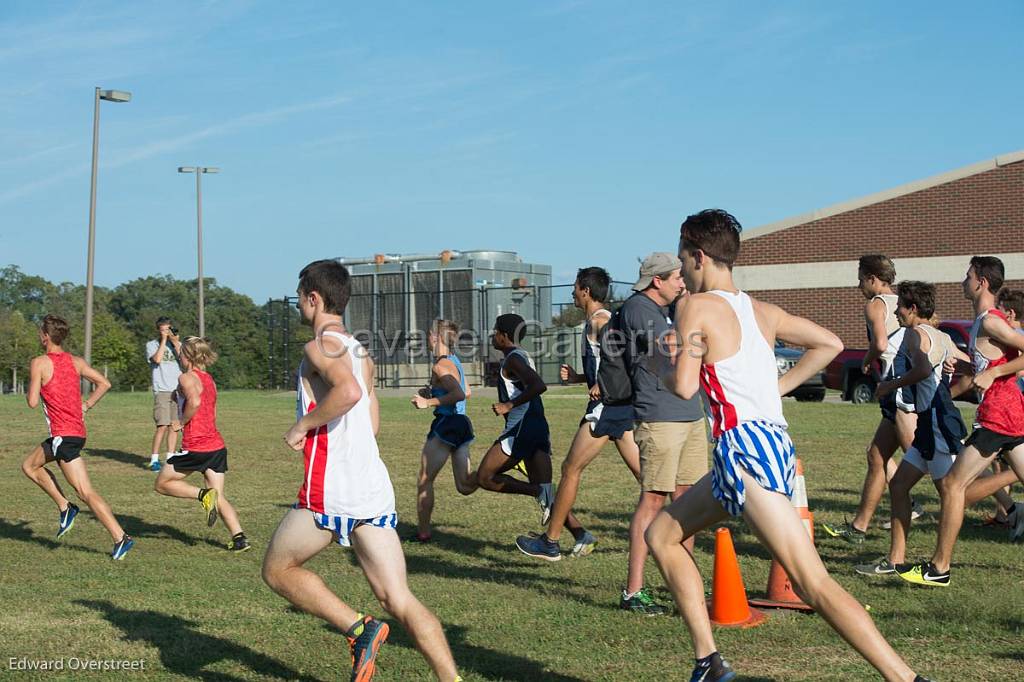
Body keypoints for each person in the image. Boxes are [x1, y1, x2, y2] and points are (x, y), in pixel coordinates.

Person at [646, 209, 929, 682]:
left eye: (682, 261)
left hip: (743, 450)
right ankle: (708, 661)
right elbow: (830, 343)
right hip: (766, 444)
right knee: (662, 535)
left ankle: (906, 679)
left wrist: (655, 362)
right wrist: (778, 388)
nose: (681, 273)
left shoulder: (694, 307)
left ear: (699, 257)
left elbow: (682, 385)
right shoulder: (762, 311)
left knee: (812, 582)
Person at [261, 260, 459, 682]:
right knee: (399, 598)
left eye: (300, 297)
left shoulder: (319, 347)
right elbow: (371, 424)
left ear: (313, 299)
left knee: (277, 570)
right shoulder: (361, 352)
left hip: (331, 487)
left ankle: (360, 628)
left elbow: (347, 393)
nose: (298, 304)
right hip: (372, 488)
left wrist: (303, 425)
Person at [898, 257, 1024, 586]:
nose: (962, 282)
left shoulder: (991, 321)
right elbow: (998, 360)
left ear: (981, 282)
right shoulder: (983, 321)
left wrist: (993, 372)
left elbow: (1009, 363)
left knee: (953, 486)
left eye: (967, 276)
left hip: (999, 415)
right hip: (1010, 413)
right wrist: (972, 370)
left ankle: (939, 569)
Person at [516, 267, 641, 561]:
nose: (571, 292)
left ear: (585, 290)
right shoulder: (597, 321)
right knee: (648, 477)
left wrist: (601, 383)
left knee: (570, 469)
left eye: (574, 287)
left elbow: (623, 360)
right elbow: (608, 364)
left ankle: (550, 542)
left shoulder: (601, 321)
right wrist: (580, 378)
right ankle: (682, 522)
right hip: (616, 406)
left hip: (607, 407)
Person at [855, 281, 967, 576]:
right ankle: (895, 560)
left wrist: (890, 384)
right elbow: (965, 363)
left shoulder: (915, 334)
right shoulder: (940, 335)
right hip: (928, 425)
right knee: (900, 485)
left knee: (951, 491)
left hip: (937, 423)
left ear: (913, 309)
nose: (898, 314)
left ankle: (940, 568)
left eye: (901, 308)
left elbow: (920, 369)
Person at [617, 253, 707, 615]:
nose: (682, 284)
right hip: (659, 416)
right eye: (676, 279)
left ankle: (685, 584)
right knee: (653, 500)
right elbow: (672, 346)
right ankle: (633, 591)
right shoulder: (638, 308)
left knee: (689, 500)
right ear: (657, 281)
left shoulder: (666, 311)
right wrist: (693, 318)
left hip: (689, 413)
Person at [822, 255, 921, 543]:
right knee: (876, 455)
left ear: (873, 279)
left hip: (896, 385)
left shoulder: (875, 304)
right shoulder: (903, 300)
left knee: (926, 458)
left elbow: (879, 343)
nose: (858, 285)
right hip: (905, 381)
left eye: (861, 278)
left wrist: (867, 360)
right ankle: (859, 528)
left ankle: (982, 499)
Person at [21, 314, 134, 560]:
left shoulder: (39, 362)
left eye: (41, 332)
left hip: (63, 436)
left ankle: (119, 536)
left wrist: (36, 385)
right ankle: (65, 507)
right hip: (75, 433)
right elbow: (104, 383)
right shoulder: (76, 361)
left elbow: (31, 402)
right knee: (30, 465)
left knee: (85, 491)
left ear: (46, 336)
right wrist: (87, 405)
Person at [153, 337, 250, 552]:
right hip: (216, 446)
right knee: (219, 496)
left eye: (180, 353)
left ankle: (202, 495)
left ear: (186, 356)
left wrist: (181, 422)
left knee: (162, 484)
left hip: (196, 446)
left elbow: (195, 402)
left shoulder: (186, 378)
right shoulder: (209, 379)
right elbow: (210, 408)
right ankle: (239, 538)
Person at [475, 314, 555, 523]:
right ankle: (581, 535)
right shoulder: (522, 355)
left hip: (522, 428)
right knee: (549, 496)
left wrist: (508, 405)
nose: (493, 336)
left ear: (504, 336)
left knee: (485, 477)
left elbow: (538, 385)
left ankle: (534, 491)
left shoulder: (513, 358)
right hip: (538, 425)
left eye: (495, 332)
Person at [409, 319, 478, 542]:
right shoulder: (454, 361)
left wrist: (427, 403)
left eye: (429, 334)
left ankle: (423, 533)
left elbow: (457, 394)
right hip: (460, 423)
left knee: (424, 480)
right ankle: (497, 469)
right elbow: (466, 391)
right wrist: (433, 391)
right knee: (465, 485)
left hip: (447, 425)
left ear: (437, 338)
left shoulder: (440, 365)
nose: (427, 338)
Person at [146, 317, 183, 472]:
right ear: (158, 330)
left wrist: (175, 342)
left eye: (168, 329)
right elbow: (158, 359)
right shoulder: (151, 345)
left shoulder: (177, 345)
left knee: (174, 426)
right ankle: (154, 459)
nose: (166, 332)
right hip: (162, 389)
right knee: (162, 425)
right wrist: (163, 341)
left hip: (177, 390)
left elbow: (186, 360)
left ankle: (170, 458)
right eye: (163, 329)